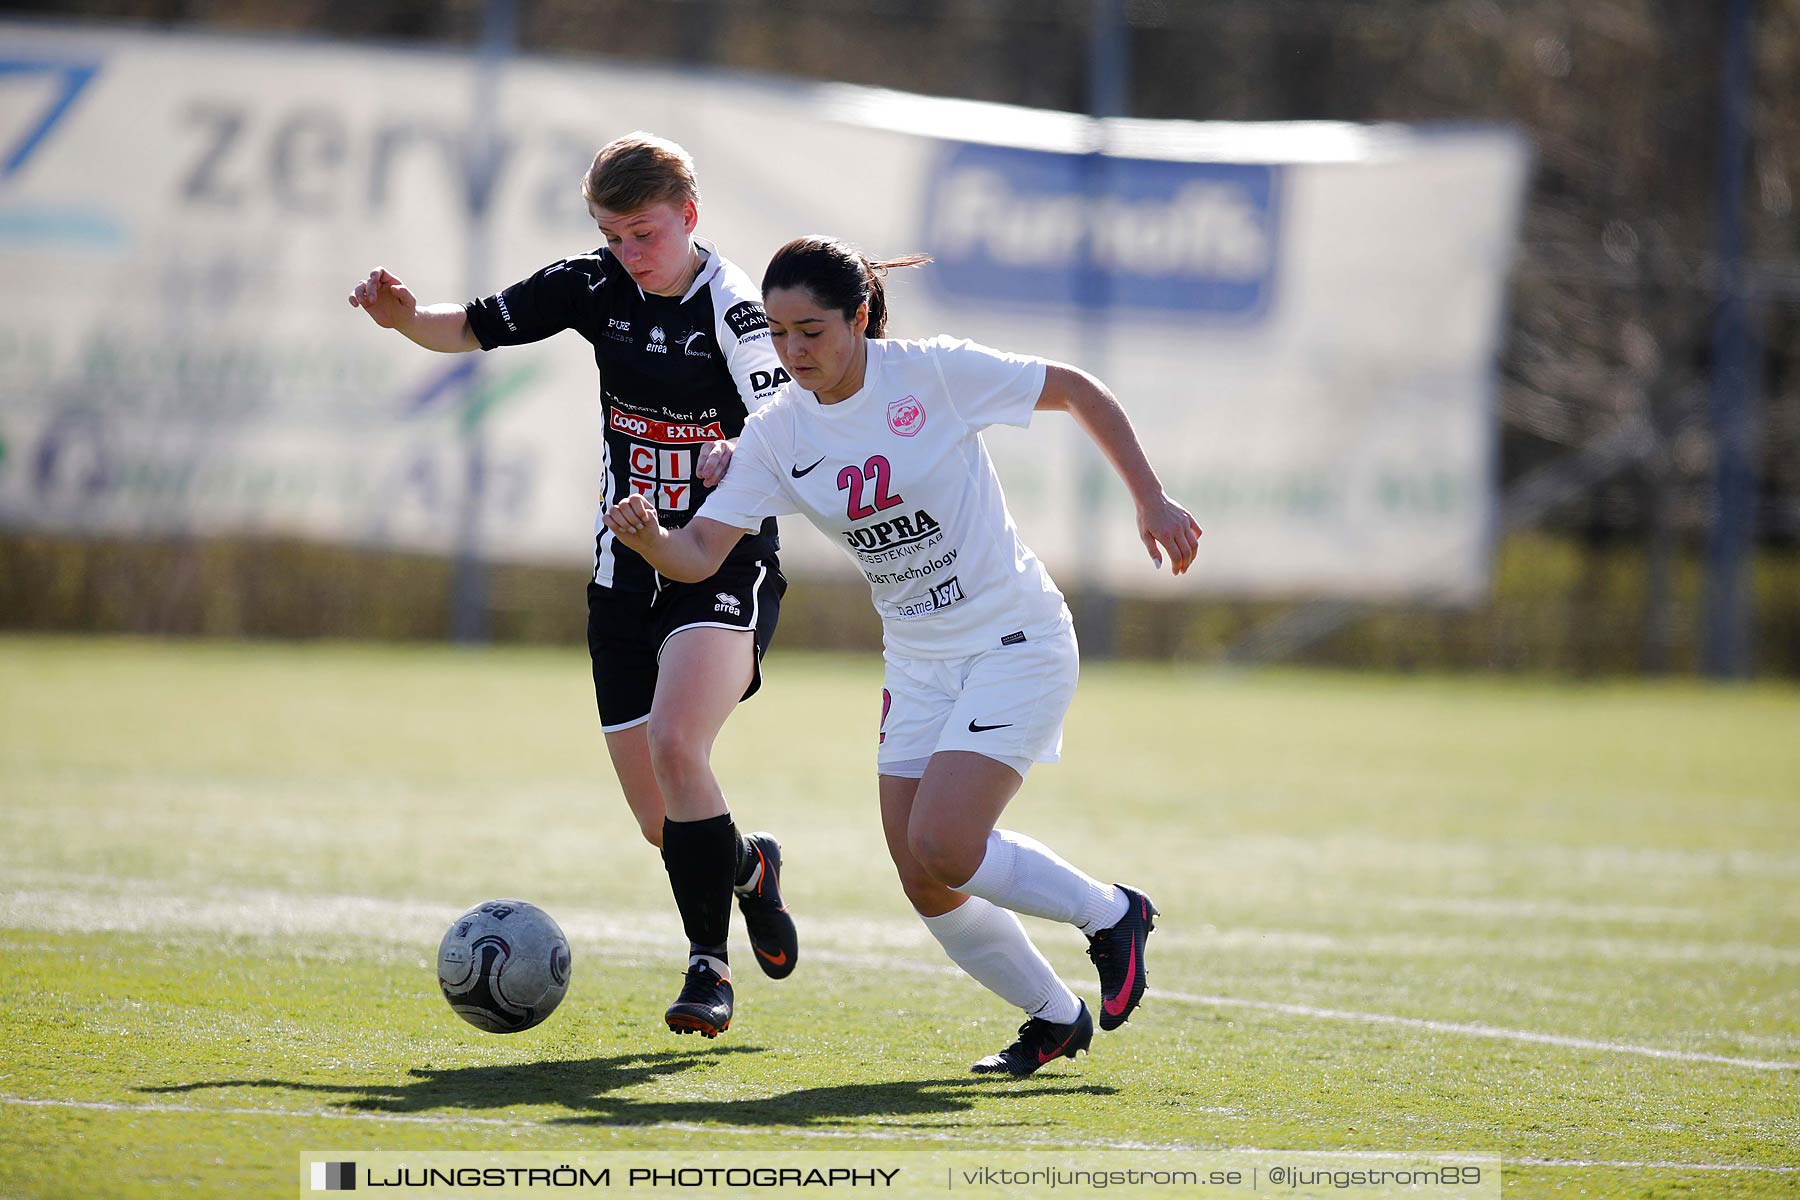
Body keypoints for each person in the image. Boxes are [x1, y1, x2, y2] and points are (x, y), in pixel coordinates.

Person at [603, 235, 1202, 1075]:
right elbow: (701, 552)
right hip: (919, 659)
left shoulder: (929, 374)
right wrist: (652, 540)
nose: (791, 350)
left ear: (857, 319)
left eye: (810, 330)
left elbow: (1076, 388)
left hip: (1013, 637)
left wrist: (1150, 496)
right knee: (924, 875)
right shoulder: (777, 432)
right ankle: (1054, 1018)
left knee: (949, 843)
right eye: (776, 333)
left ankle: (1112, 915)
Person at [348, 132, 797, 1040]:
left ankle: (708, 968)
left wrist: (737, 452)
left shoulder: (737, 307)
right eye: (613, 234)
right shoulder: (594, 285)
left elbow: (790, 419)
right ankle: (747, 867)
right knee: (659, 822)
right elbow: (469, 325)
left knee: (679, 744)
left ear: (690, 217)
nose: (631, 254)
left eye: (646, 234)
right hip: (621, 568)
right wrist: (405, 320)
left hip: (719, 559)